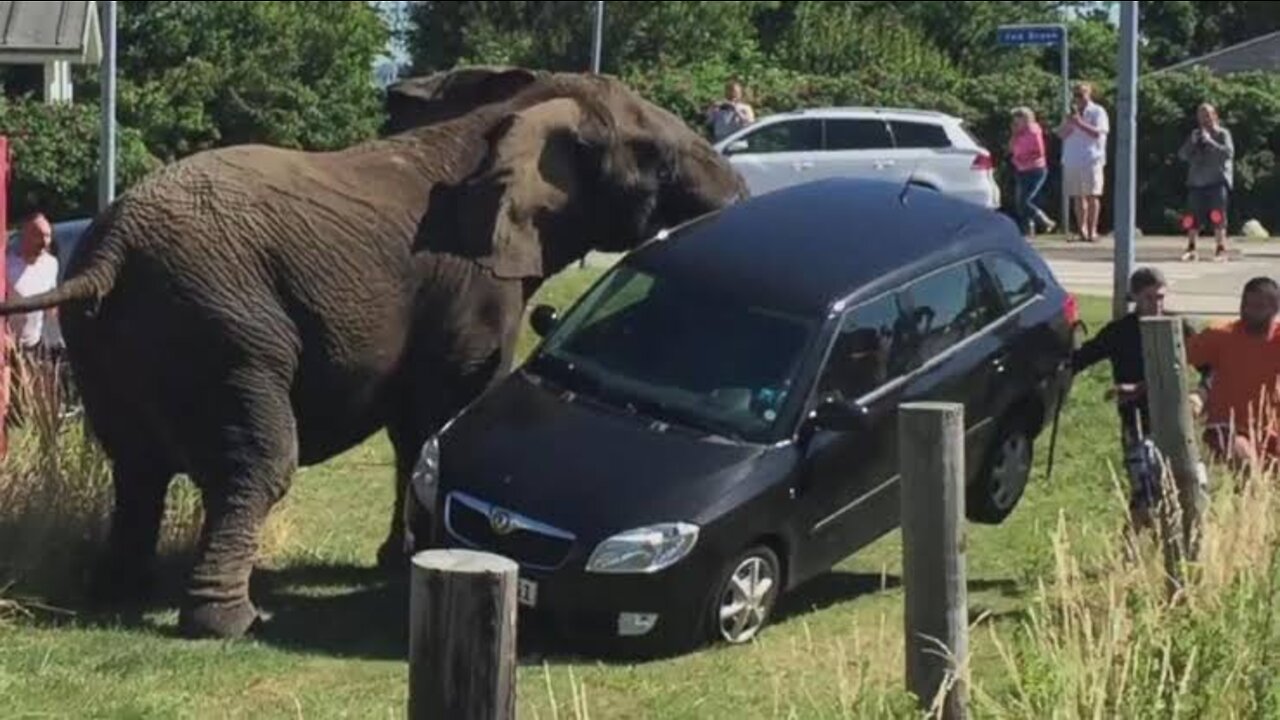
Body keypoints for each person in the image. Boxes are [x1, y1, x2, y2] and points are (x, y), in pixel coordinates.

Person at [1072, 268, 1199, 529]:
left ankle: (1173, 544)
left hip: (1173, 420)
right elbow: (1081, 359)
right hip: (1137, 421)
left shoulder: (1178, 327)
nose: (1157, 304)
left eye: (1161, 297)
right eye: (1150, 298)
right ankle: (1129, 554)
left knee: (1182, 485)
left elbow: (1211, 366)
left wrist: (1200, 395)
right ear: (1136, 298)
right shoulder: (1120, 332)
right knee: (1144, 491)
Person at [1186, 277, 1280, 473]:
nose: (1248, 312)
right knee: (1244, 457)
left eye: (1257, 306)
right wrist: (1196, 397)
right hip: (1226, 428)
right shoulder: (1220, 336)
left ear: (1275, 308)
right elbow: (1174, 361)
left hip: (1270, 432)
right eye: (1245, 304)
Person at [1178, 103, 1235, 263]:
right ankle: (1191, 248)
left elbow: (1228, 154)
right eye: (1201, 116)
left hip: (1217, 181)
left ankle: (1220, 248)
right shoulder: (1195, 134)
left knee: (1218, 216)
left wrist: (1211, 142)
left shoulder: (1223, 134)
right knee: (1192, 217)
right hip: (1197, 182)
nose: (1204, 119)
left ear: (1215, 116)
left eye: (1207, 115)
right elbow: (1182, 155)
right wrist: (1192, 143)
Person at [1056, 83, 1110, 243]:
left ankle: (1093, 230)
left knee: (1092, 195)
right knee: (1078, 197)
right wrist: (1070, 123)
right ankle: (1082, 230)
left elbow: (1098, 133)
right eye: (1076, 95)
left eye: (1082, 94)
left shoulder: (1098, 111)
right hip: (1072, 159)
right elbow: (1060, 134)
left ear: (1089, 94)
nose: (1079, 98)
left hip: (1091, 158)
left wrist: (1080, 123)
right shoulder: (1071, 114)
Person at [1008, 107, 1056, 238]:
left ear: (1026, 119)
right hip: (1021, 169)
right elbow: (1011, 149)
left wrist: (1024, 157)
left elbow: (1040, 151)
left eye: (1018, 119)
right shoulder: (1018, 133)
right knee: (1020, 203)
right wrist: (1014, 133)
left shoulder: (1033, 131)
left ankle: (1045, 220)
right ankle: (1028, 230)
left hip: (1035, 169)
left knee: (1025, 201)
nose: (1016, 123)